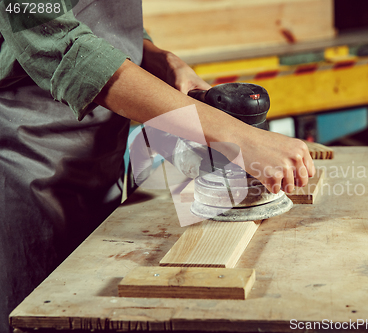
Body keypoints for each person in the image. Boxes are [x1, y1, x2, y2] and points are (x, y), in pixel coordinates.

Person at [0, 1, 315, 331]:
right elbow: (60, 43)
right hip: (29, 158)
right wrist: (237, 137)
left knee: (94, 305)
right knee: (42, 311)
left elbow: (97, 18)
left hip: (100, 146)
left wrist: (163, 62)